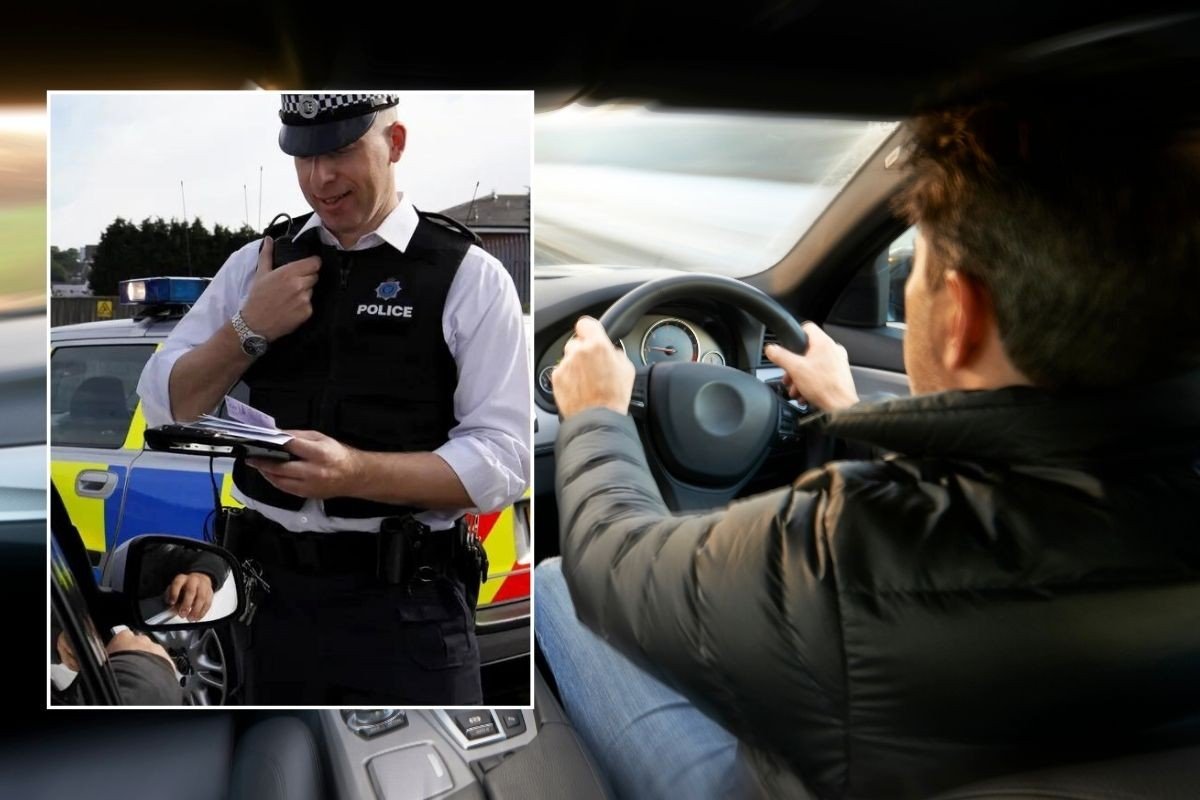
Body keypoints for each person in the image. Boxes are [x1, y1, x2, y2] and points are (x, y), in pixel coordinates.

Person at [536, 101, 1200, 799]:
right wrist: (847, 409)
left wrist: (596, 414)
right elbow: (1030, 458)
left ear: (960, 317)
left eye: (916, 275)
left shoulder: (845, 549)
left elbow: (608, 560)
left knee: (555, 581)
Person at [137, 93, 530, 705]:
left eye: (341, 150)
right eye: (303, 155)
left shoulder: (469, 277)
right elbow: (167, 404)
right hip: (268, 607)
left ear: (395, 143)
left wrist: (355, 472)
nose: (320, 178)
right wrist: (250, 327)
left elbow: (506, 459)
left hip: (407, 612)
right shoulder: (257, 265)